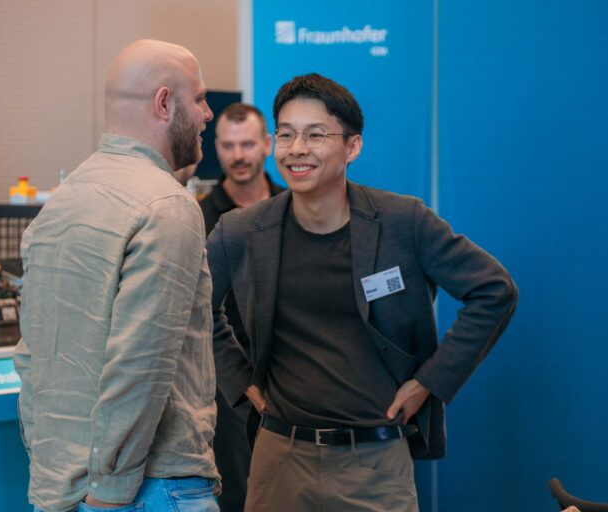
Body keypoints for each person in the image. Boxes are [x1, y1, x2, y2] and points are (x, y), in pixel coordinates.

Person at [207, 73, 518, 512]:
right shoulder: (241, 231)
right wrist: (240, 381)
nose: (297, 148)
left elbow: (493, 291)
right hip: (279, 458)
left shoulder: (403, 222)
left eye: (316, 135)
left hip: (375, 461)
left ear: (352, 147)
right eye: (286, 134)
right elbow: (195, 308)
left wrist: (429, 382)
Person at [13, 39, 218, 512]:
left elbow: (32, 357)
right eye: (200, 98)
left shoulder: (62, 201)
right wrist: (108, 495)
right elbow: (141, 366)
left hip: (64, 487)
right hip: (146, 489)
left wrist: (57, 479)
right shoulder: (168, 206)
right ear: (164, 103)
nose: (208, 114)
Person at [199, 103, 285, 512]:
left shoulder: (295, 208)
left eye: (247, 144)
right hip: (226, 385)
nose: (238, 155)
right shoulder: (198, 218)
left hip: (290, 375)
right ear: (216, 147)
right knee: (238, 494)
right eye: (229, 145)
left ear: (267, 144)